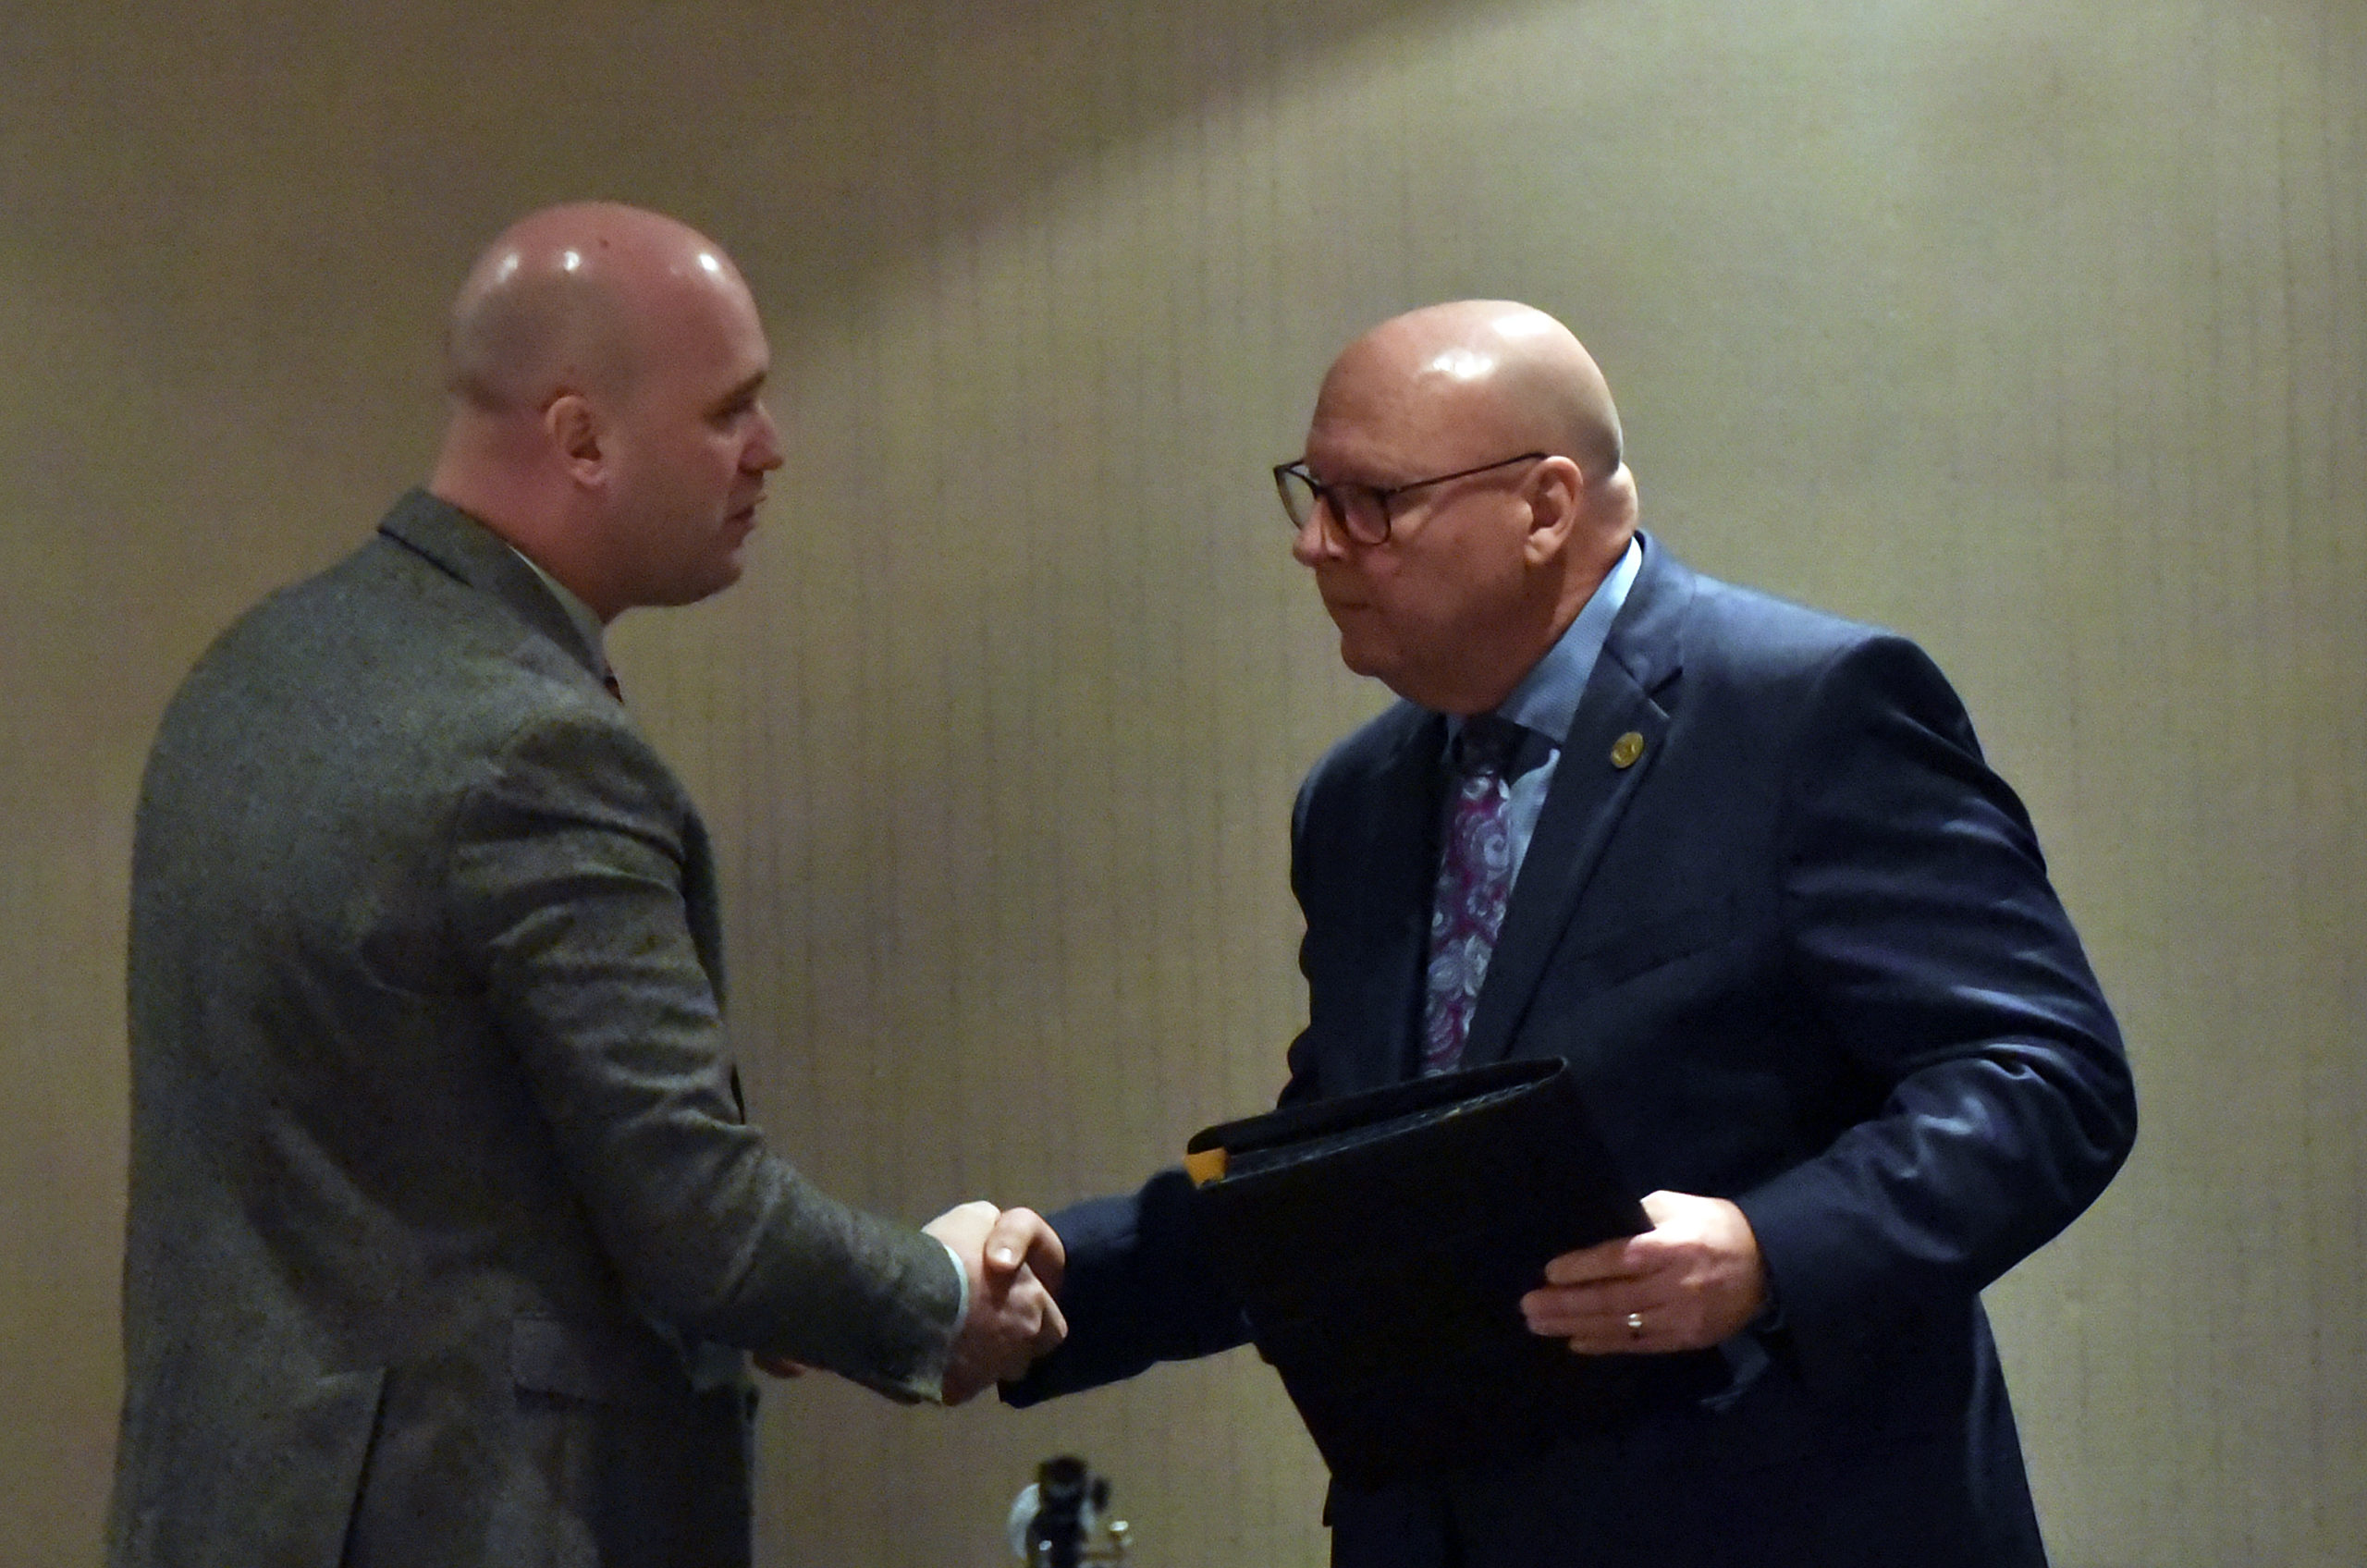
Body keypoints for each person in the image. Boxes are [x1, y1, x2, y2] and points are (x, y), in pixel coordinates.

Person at [1005, 300, 2138, 1568]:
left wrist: (1771, 1252)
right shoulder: (1358, 800)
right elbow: (1352, 1192)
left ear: (1545, 507)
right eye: (1310, 495)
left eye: (1369, 501)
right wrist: (1044, 1286)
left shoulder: (1808, 715)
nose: (1316, 545)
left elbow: (2046, 1081)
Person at [107, 202, 1065, 1568]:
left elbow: (411, 1155)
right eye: (732, 410)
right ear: (580, 439)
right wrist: (933, 1292)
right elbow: (701, 1226)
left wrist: (787, 1297)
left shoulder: (251, 675)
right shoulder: (534, 749)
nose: (772, 447)